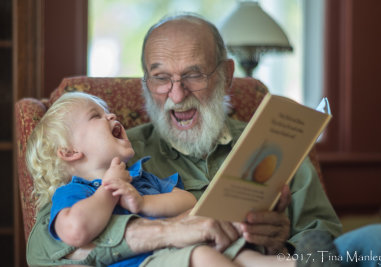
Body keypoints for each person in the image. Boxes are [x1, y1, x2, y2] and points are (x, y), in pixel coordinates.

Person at [26, 13, 342, 266]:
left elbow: (328, 242)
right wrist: (163, 231)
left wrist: (281, 245)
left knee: (373, 244)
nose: (177, 94)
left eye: (194, 74)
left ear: (226, 75)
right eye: (161, 78)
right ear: (147, 83)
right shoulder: (116, 156)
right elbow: (42, 250)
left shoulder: (275, 142)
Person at [26, 91, 296, 267]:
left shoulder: (140, 177)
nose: (111, 115)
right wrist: (109, 190)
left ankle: (301, 262)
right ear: (70, 152)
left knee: (240, 255)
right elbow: (73, 232)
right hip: (146, 261)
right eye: (96, 115)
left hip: (183, 249)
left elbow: (185, 200)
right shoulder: (73, 193)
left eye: (107, 110)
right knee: (203, 257)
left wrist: (142, 202)